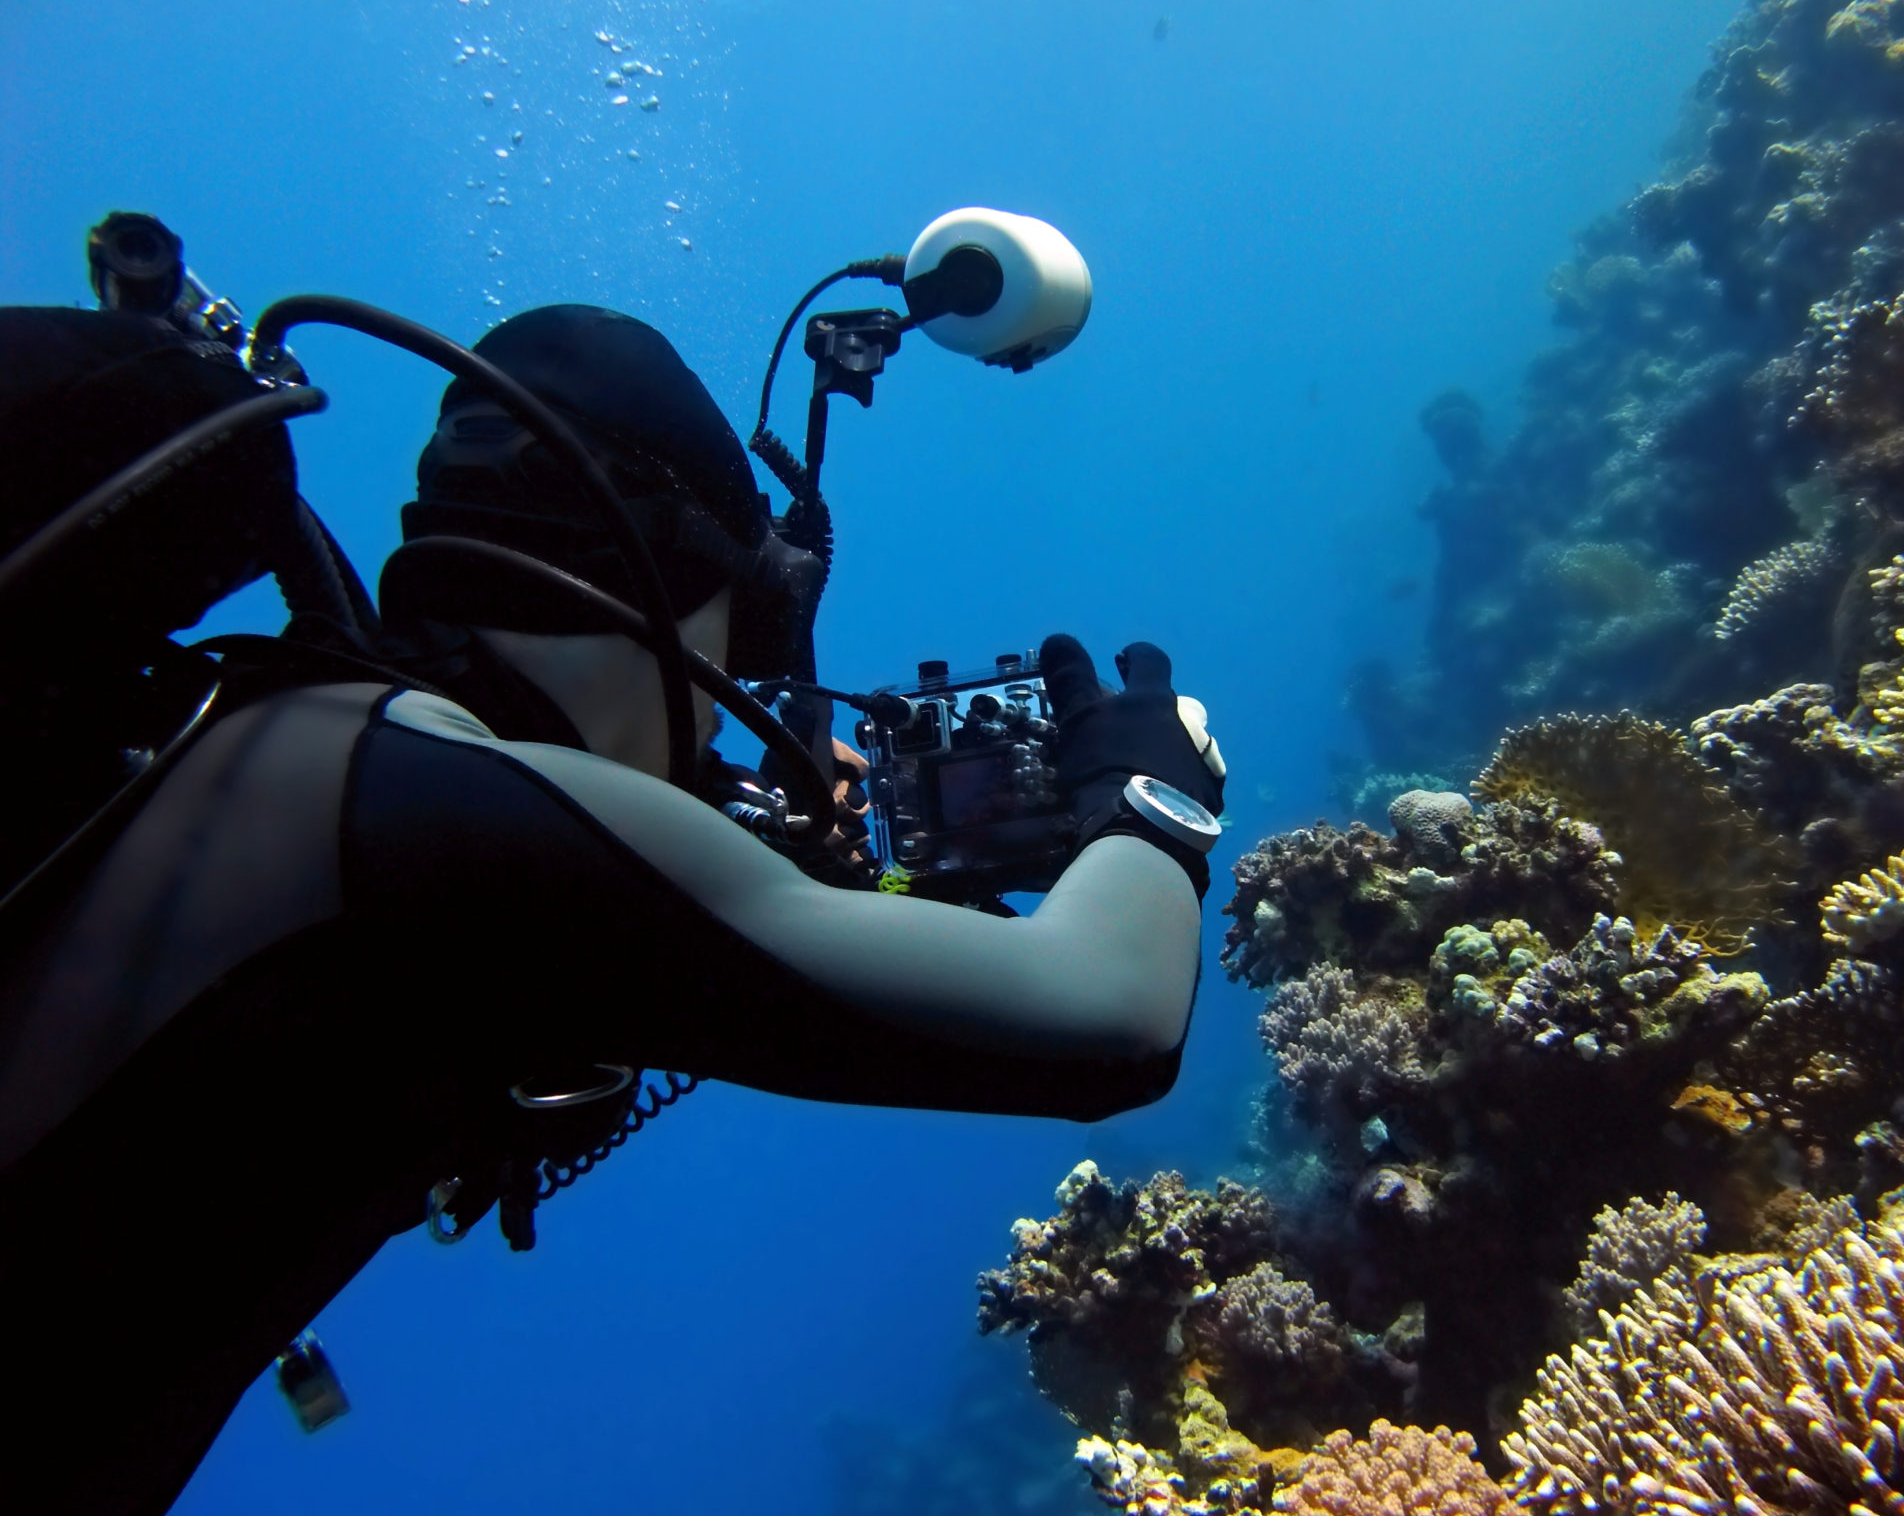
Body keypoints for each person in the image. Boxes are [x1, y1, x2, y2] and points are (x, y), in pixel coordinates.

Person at [0, 302, 1225, 1515]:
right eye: (732, 652)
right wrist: (1154, 796)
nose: (722, 713)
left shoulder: (299, 749)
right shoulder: (436, 826)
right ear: (655, 582)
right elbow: (1105, 1016)